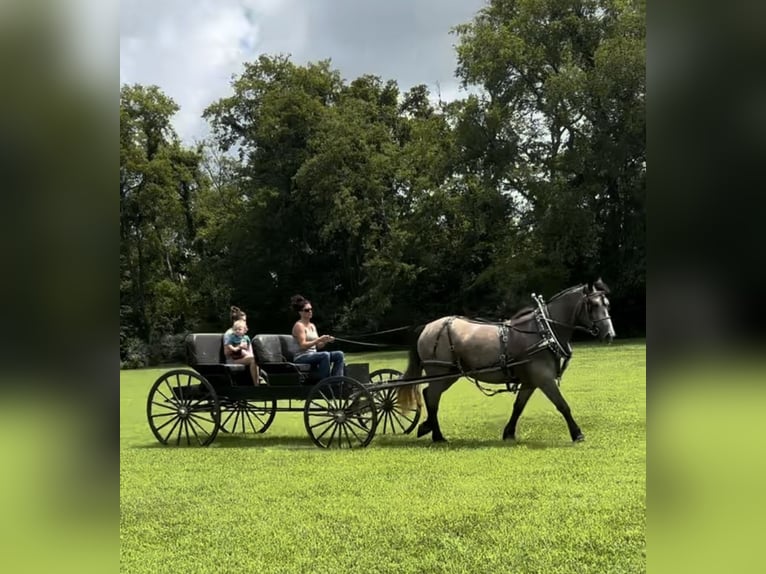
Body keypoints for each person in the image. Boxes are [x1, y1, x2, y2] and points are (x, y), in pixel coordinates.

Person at [290, 294, 344, 379]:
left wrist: (325, 341)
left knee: (339, 354)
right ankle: (324, 380)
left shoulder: (312, 326)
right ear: (300, 312)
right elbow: (303, 345)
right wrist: (319, 339)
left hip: (313, 354)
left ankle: (337, 381)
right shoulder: (299, 326)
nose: (310, 311)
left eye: (311, 309)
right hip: (301, 357)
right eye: (307, 310)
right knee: (325, 355)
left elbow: (318, 346)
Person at [223, 309, 262, 385]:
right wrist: (239, 347)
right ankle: (256, 385)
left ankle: (258, 377)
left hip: (245, 357)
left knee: (258, 357)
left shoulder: (244, 335)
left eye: (245, 321)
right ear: (235, 321)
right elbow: (226, 353)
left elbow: (250, 349)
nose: (245, 323)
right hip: (233, 360)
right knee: (253, 360)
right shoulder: (229, 334)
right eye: (243, 320)